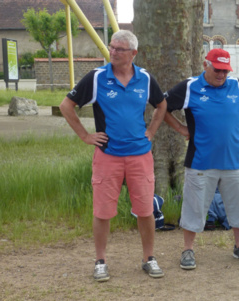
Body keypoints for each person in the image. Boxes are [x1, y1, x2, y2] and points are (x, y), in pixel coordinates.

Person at [59, 30, 167, 282]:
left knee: (145, 210)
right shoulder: (97, 78)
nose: (113, 52)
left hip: (140, 156)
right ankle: (100, 261)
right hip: (108, 156)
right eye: (111, 47)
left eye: (119, 49)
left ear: (133, 53)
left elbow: (161, 104)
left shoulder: (146, 79)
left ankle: (149, 258)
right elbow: (66, 106)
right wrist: (86, 136)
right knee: (103, 211)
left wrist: (151, 131)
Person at [162, 49, 239, 270]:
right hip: (201, 161)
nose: (222, 75)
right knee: (194, 207)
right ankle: (188, 250)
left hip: (234, 162)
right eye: (217, 70)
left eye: (225, 71)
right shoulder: (190, 87)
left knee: (238, 206)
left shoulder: (236, 86)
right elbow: (162, 107)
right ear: (205, 65)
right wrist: (181, 128)